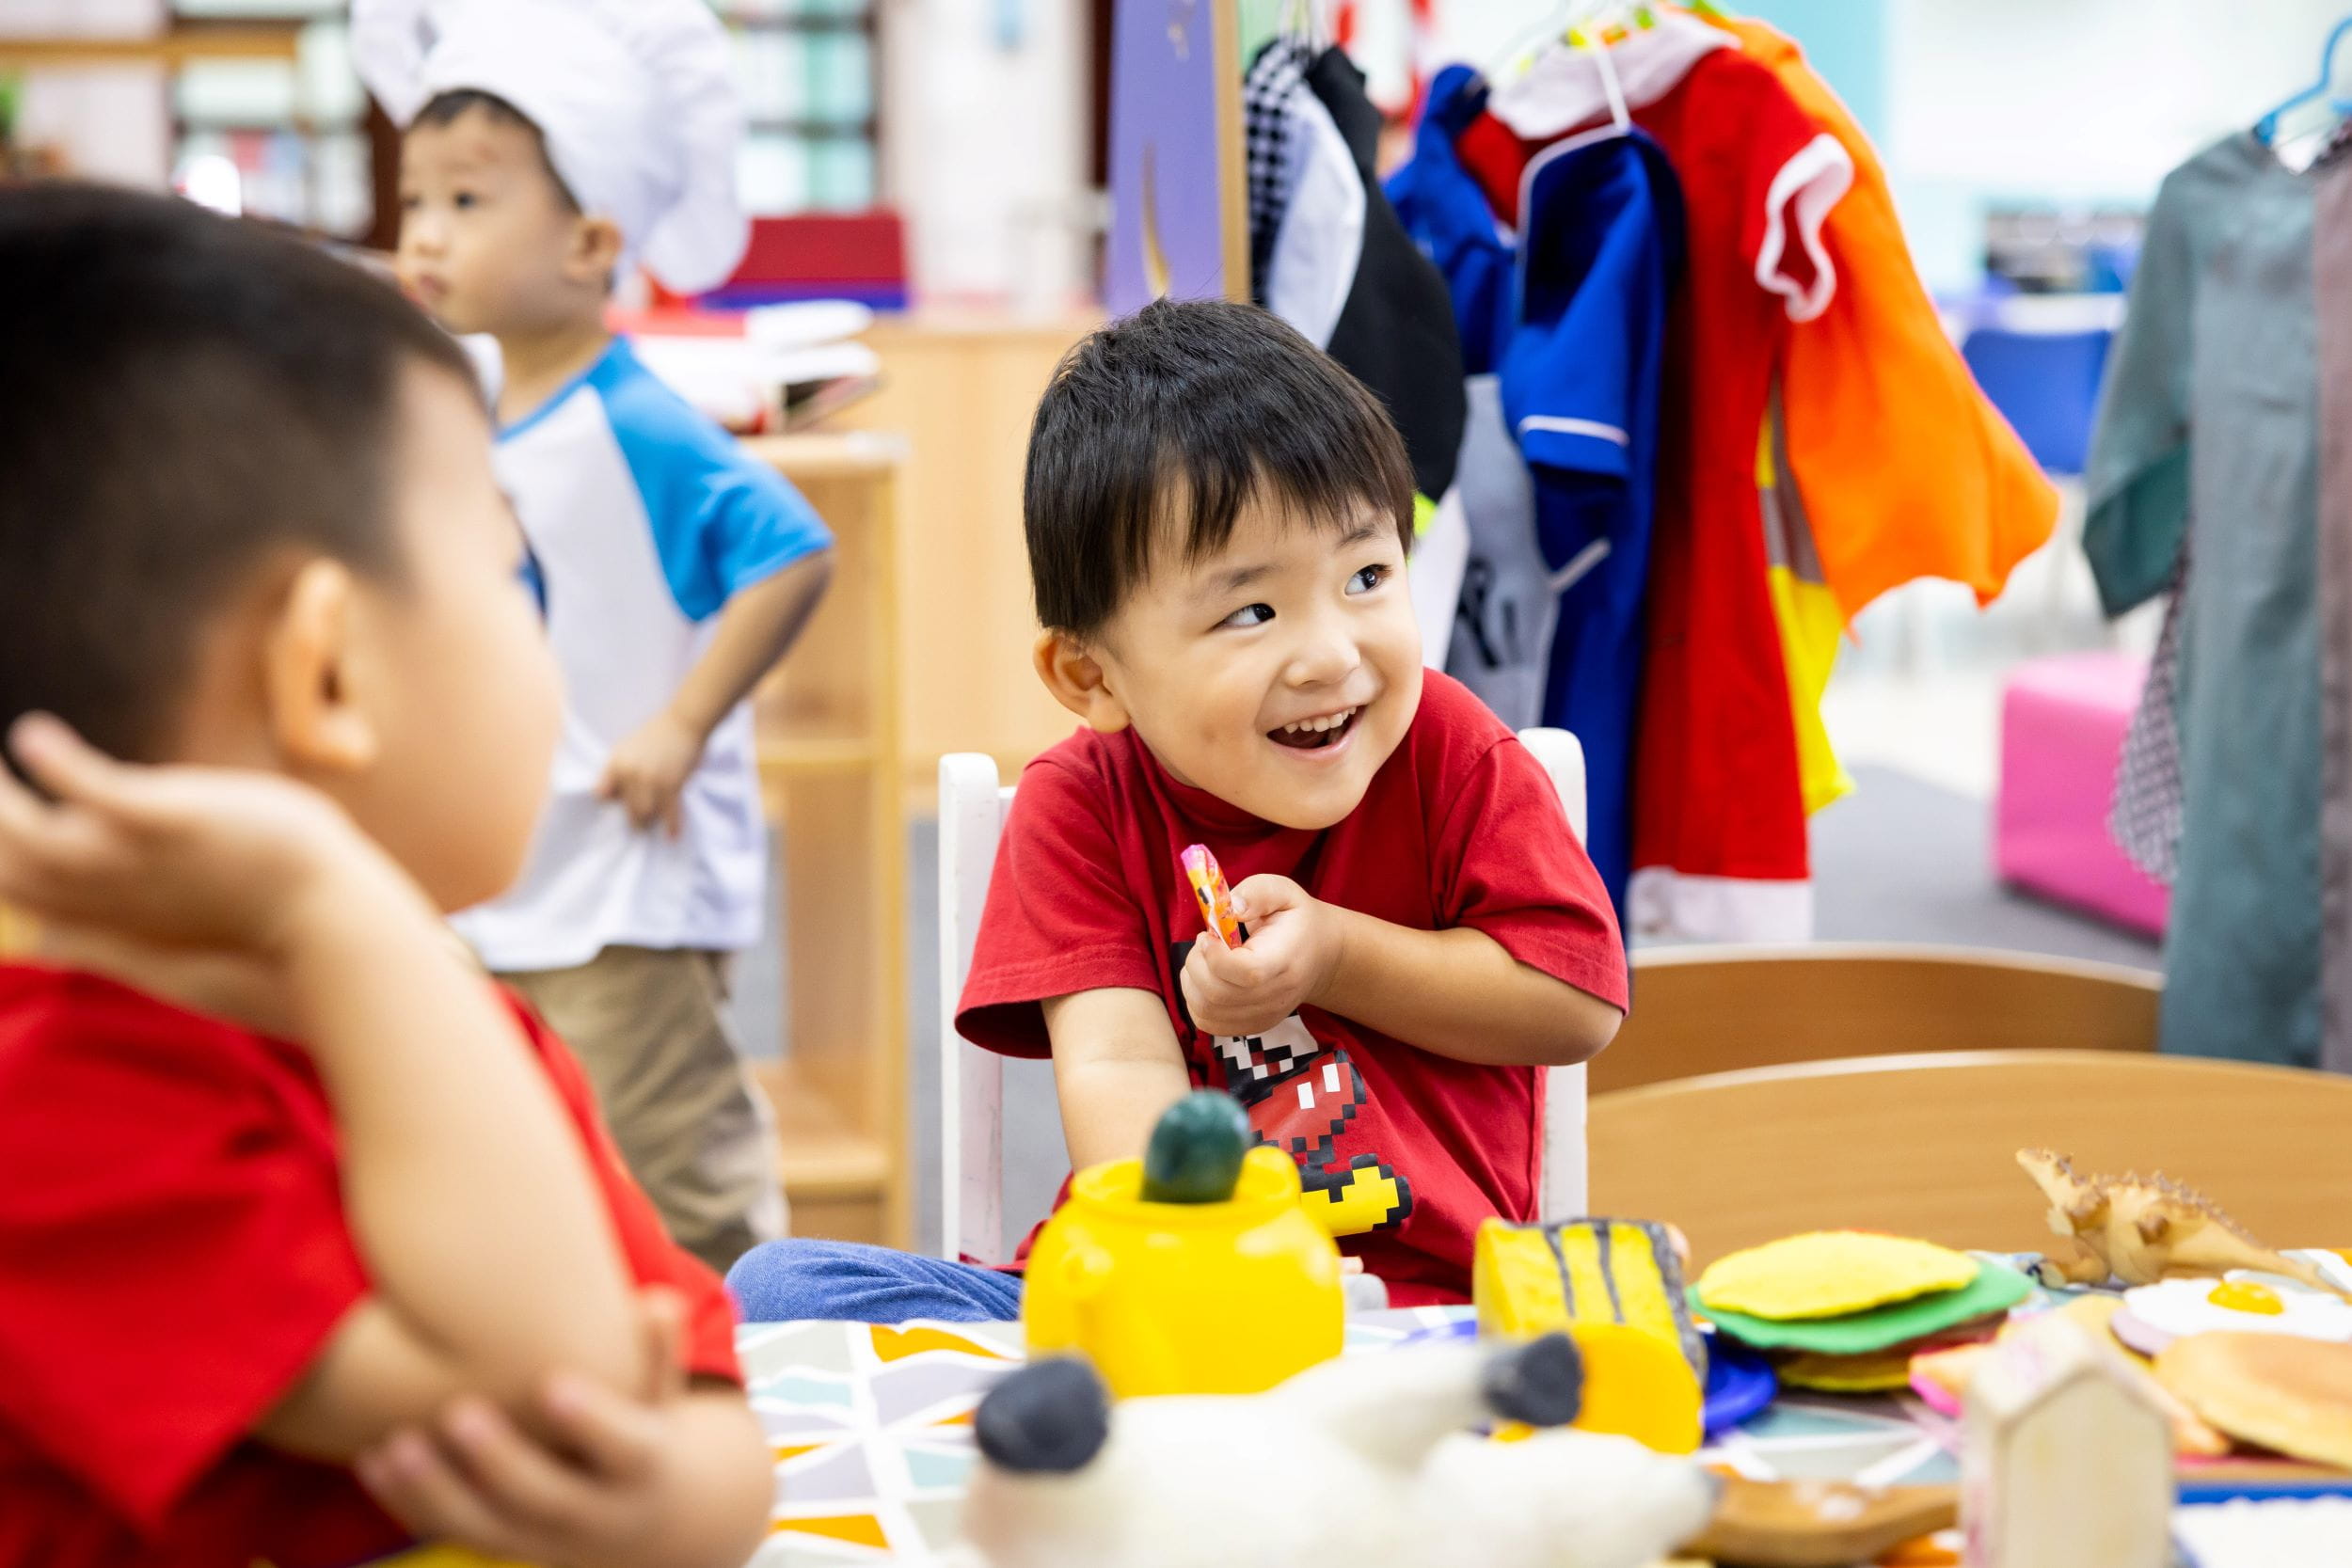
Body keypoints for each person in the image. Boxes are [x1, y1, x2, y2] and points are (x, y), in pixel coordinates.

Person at [0, 183, 772, 1568]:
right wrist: (332, 904)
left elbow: (711, 1427)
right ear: (329, 671)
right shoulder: (50, 1114)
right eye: (507, 575)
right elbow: (565, 1386)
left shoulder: (439, 1024)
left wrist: (683, 1492)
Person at [730, 299, 1629, 1322]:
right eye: (1251, 610)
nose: (1332, 653)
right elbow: (1118, 1066)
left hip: (1425, 1309)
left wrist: (1334, 953)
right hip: (1169, 1277)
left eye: (1367, 574)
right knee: (777, 1287)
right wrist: (1214, 1264)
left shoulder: (1452, 748)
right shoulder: (1082, 803)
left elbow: (1576, 1005)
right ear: (1089, 674)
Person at [352, 0, 836, 1273]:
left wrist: (682, 722)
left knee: (673, 1170)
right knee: (522, 1153)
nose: (425, 236)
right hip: (516, 861)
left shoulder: (640, 418)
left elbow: (793, 548)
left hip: (628, 880)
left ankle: (744, 1382)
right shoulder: (475, 405)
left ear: (588, 241)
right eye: (418, 202)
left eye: (468, 201)